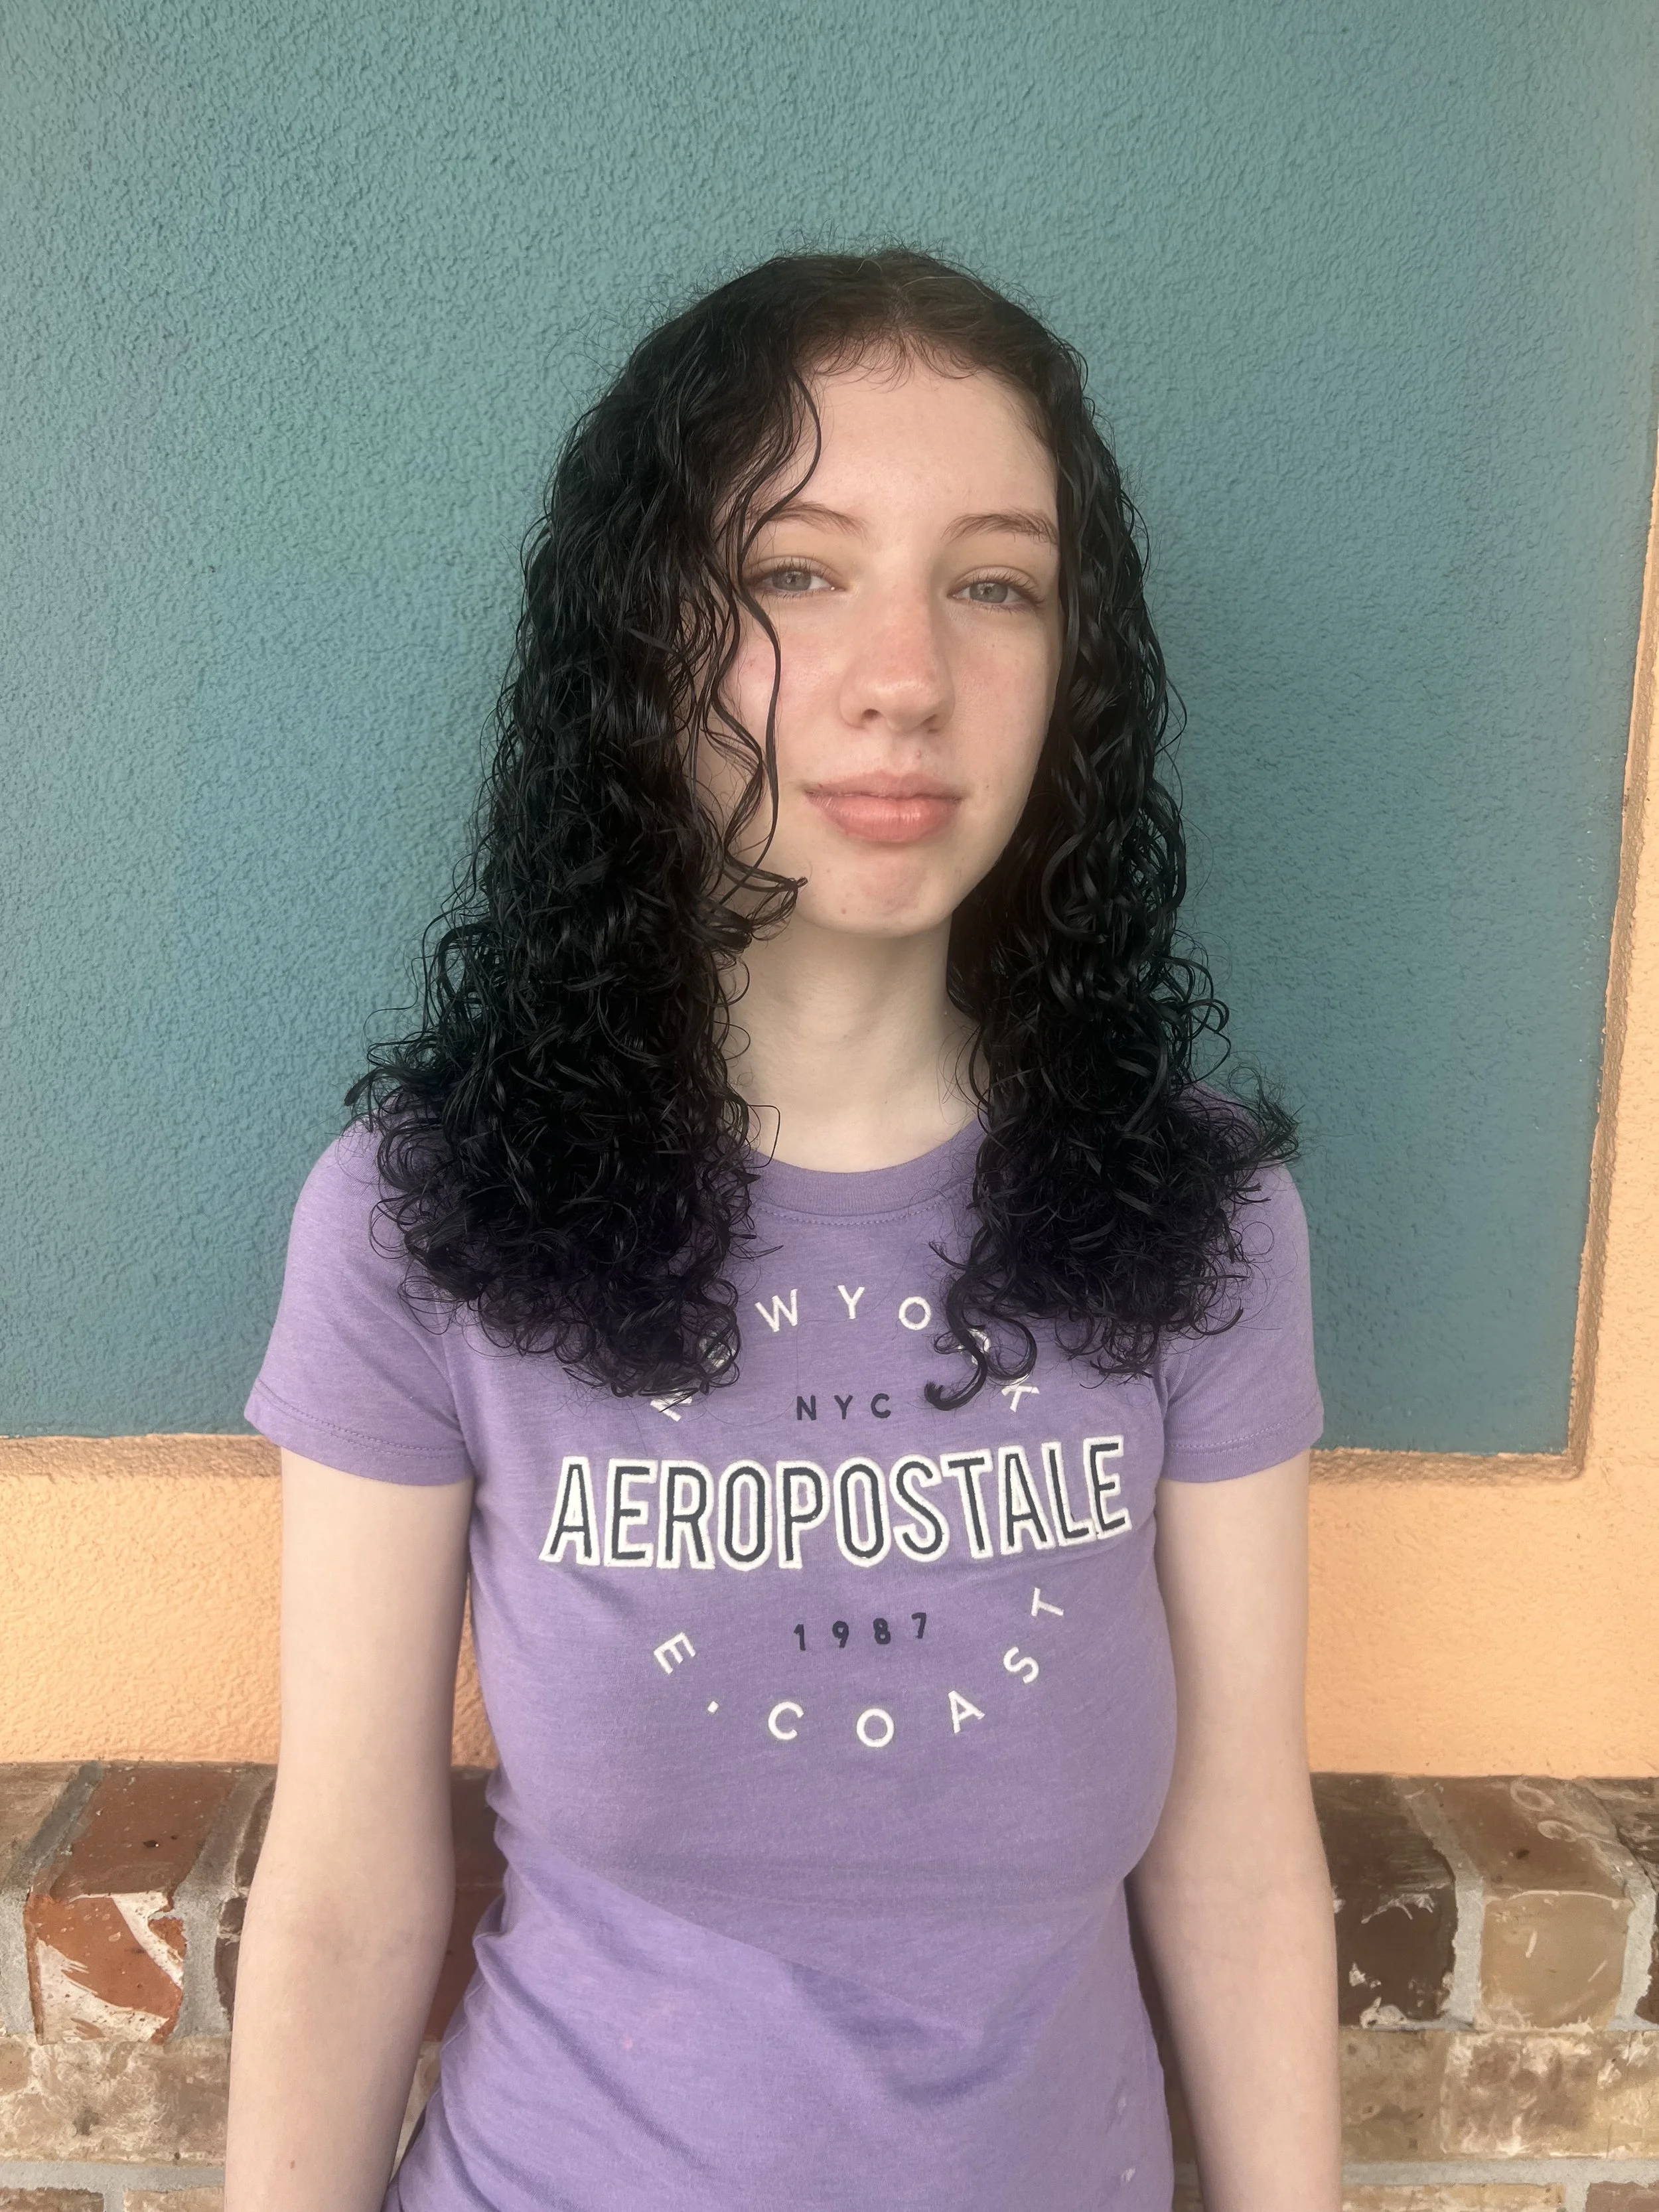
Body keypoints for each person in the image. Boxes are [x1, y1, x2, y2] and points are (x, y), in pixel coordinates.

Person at [225, 248, 1341, 2212]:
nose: (901, 673)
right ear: (646, 640)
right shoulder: (421, 1221)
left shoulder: (1207, 1214)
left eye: (992, 581)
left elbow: (1239, 1858)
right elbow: (342, 1888)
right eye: (797, 569)